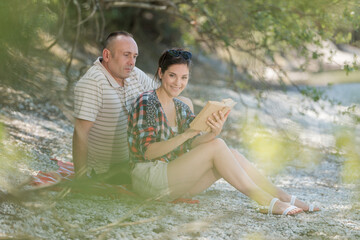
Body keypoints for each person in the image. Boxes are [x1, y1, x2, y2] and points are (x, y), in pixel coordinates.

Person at [127, 48, 320, 215]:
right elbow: (148, 151)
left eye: (184, 77)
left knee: (231, 153)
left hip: (174, 178)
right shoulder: (147, 102)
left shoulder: (181, 106)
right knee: (218, 147)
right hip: (149, 179)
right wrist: (187, 134)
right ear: (161, 73)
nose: (178, 82)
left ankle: (281, 195)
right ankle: (264, 200)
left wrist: (212, 133)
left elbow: (191, 145)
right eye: (172, 75)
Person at [72, 31, 160, 183]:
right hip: (109, 171)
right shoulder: (93, 83)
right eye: (126, 55)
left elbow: (163, 97)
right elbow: (80, 132)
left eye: (135, 56)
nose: (132, 62)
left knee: (184, 103)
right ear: (107, 55)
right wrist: (81, 179)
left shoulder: (133, 74)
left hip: (136, 160)